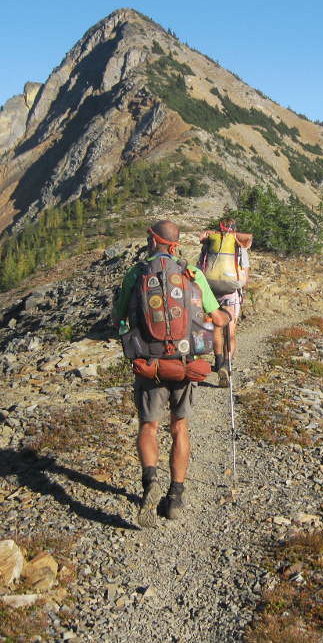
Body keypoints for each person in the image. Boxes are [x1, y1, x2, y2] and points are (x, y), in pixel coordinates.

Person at [114, 220, 229, 520]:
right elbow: (216, 318)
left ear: (153, 241)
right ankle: (175, 495)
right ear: (175, 244)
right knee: (179, 428)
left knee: (148, 427)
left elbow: (120, 318)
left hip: (150, 366)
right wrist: (225, 316)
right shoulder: (193, 274)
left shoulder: (136, 274)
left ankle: (150, 482)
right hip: (184, 365)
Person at [198, 219, 253, 387]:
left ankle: (218, 360)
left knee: (216, 327)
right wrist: (243, 290)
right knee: (230, 332)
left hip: (211, 290)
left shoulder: (210, 244)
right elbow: (245, 273)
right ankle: (226, 364)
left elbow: (201, 265)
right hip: (230, 293)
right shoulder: (239, 248)